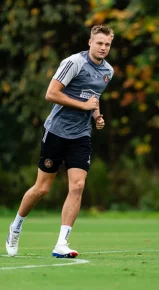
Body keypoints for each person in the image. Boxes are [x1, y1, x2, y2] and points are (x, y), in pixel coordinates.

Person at [6, 25, 114, 258]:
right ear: (90, 42)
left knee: (77, 185)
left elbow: (93, 98)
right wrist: (84, 106)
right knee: (42, 188)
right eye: (99, 43)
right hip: (56, 132)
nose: (103, 48)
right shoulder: (74, 62)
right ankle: (15, 227)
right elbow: (51, 94)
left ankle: (61, 244)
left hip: (81, 135)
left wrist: (96, 116)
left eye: (107, 44)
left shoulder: (108, 71)